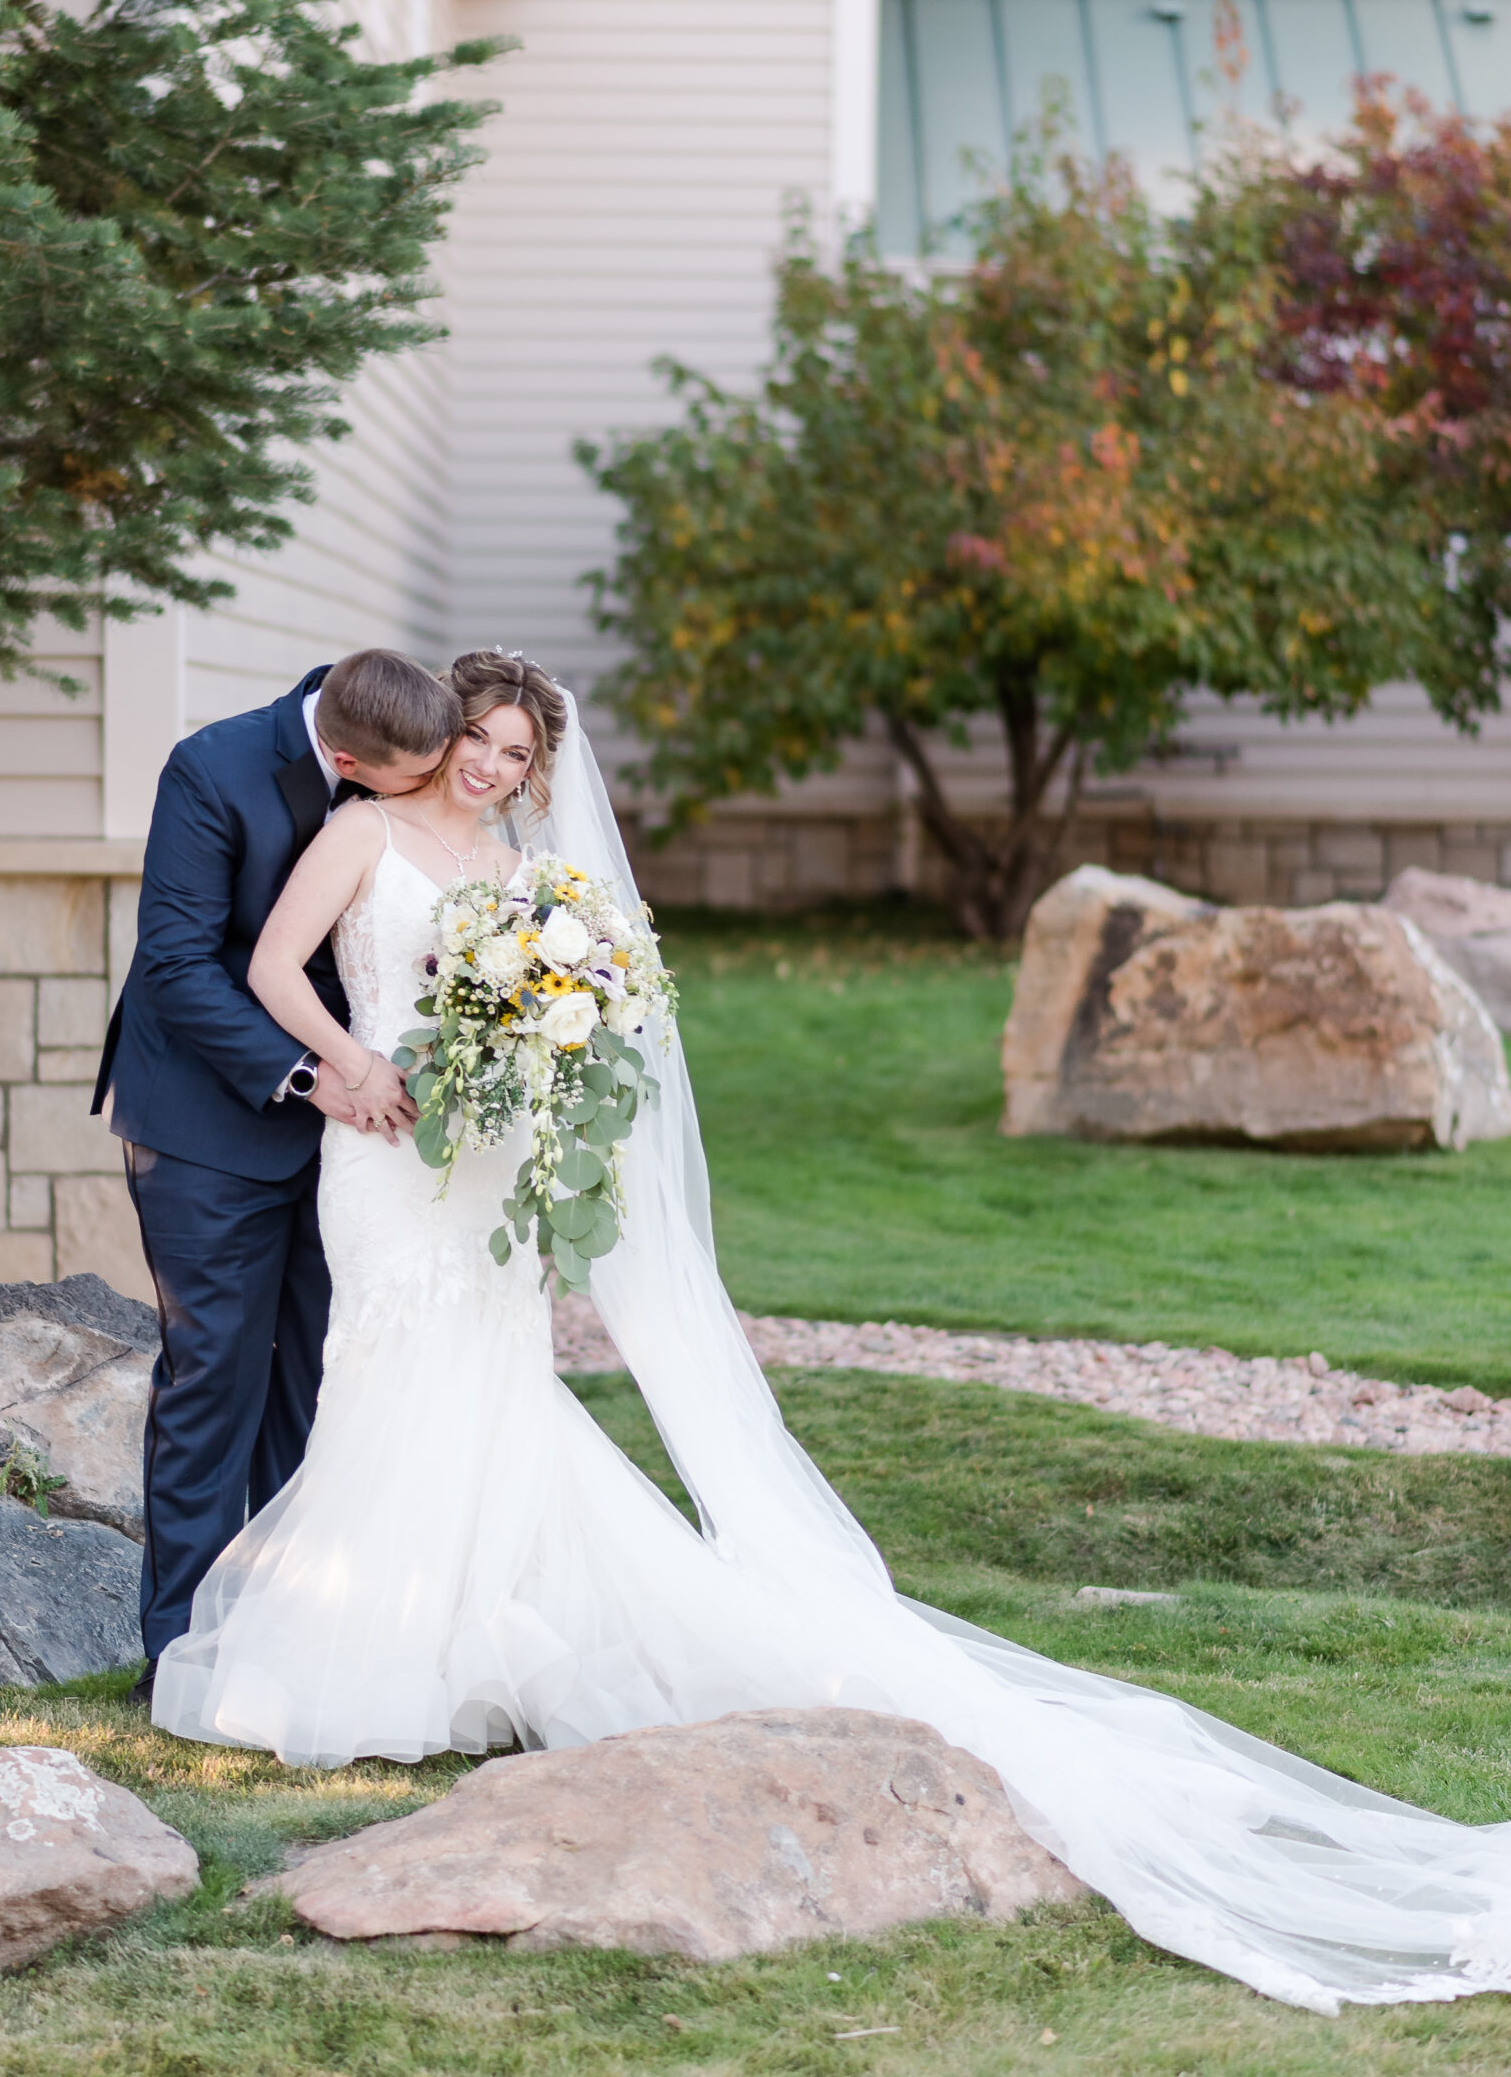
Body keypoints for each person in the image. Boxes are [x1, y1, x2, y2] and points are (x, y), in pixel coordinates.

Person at [150, 648, 1511, 2016]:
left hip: (484, 1165)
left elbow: (567, 1012)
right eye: (480, 743)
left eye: (516, 753)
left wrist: (534, 1060)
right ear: (441, 734)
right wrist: (351, 1063)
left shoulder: (524, 876)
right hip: (379, 1153)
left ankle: (447, 1651)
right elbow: (269, 965)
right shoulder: (360, 832)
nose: (493, 767)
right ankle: (382, 1642)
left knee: (489, 1382)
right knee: (381, 1369)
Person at [93, 647, 461, 1704]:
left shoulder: (394, 723)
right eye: (407, 778)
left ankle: (286, 1634)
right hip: (211, 1121)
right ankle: (182, 1655)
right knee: (214, 1379)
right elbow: (175, 963)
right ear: (347, 755)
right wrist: (311, 1072)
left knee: (316, 1381)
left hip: (356, 1142)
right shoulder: (210, 771)